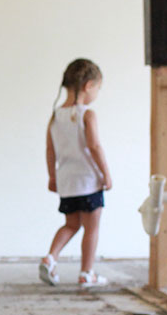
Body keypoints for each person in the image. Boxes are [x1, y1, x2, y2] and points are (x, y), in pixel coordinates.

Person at [39, 58, 113, 288]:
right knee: (92, 228)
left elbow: (50, 150)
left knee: (71, 224)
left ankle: (50, 257)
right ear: (88, 86)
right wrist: (106, 174)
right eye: (97, 89)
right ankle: (86, 272)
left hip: (67, 180)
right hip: (89, 180)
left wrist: (52, 176)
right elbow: (94, 146)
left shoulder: (56, 116)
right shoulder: (86, 114)